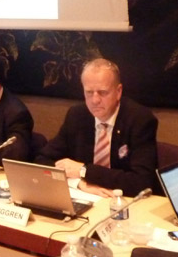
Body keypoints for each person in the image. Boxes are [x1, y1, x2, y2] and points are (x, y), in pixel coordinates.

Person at [35, 58, 159, 197]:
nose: (95, 100)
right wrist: (78, 183)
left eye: (103, 92)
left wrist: (84, 171)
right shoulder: (77, 115)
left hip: (123, 200)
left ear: (118, 91)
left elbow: (142, 182)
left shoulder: (139, 119)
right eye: (89, 92)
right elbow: (42, 160)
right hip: (87, 196)